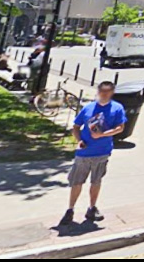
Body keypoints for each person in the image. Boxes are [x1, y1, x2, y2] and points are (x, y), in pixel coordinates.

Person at [58, 81, 126, 226]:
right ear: (98, 91)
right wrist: (79, 141)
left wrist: (102, 134)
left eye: (107, 92)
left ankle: (92, 208)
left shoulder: (117, 108)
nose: (104, 94)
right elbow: (76, 127)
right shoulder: (88, 108)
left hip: (102, 152)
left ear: (112, 93)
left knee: (96, 181)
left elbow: (120, 128)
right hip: (84, 153)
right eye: (102, 91)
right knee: (77, 182)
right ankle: (70, 209)